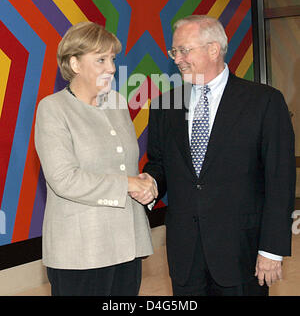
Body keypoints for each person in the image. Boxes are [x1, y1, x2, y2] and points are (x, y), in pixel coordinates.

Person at [141, 15, 296, 296]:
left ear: (214, 49)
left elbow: (280, 179)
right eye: (174, 51)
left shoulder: (264, 101)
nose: (177, 59)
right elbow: (160, 163)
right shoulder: (165, 105)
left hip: (242, 253)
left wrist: (272, 249)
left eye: (184, 50)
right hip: (185, 255)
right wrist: (149, 184)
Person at [34, 21, 158, 296]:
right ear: (75, 64)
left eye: (113, 59)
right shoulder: (53, 109)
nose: (111, 67)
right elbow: (64, 179)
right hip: (81, 253)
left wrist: (144, 183)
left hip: (128, 247)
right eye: (101, 59)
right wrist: (127, 184)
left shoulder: (117, 103)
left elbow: (123, 166)